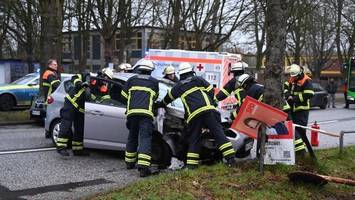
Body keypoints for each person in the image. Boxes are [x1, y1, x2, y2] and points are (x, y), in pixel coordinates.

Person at [157, 62, 236, 169]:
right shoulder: (198, 79)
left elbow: (167, 99)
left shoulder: (178, 86)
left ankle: (191, 166)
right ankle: (231, 159)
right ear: (191, 72)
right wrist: (210, 102)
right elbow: (211, 91)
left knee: (194, 139)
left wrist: (158, 105)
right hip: (209, 111)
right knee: (219, 134)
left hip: (194, 116)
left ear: (180, 74)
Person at [121, 60, 159, 177]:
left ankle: (129, 162)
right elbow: (155, 97)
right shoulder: (154, 82)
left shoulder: (131, 80)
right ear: (150, 71)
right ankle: (143, 167)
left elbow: (123, 95)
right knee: (144, 138)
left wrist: (132, 103)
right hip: (146, 114)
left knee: (132, 136)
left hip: (132, 113)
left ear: (139, 69)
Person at [56, 72, 91, 157]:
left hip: (80, 109)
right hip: (70, 104)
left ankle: (77, 149)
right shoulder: (85, 76)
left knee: (79, 128)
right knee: (66, 124)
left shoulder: (98, 86)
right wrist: (81, 84)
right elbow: (74, 77)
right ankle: (61, 147)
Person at [285, 64, 315, 157]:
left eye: (295, 76)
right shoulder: (292, 78)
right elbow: (285, 87)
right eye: (292, 76)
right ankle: (298, 151)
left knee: (301, 131)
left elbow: (309, 94)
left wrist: (294, 98)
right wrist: (288, 95)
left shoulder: (306, 80)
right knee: (294, 130)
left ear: (300, 73)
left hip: (302, 110)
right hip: (293, 109)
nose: (293, 78)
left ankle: (301, 152)